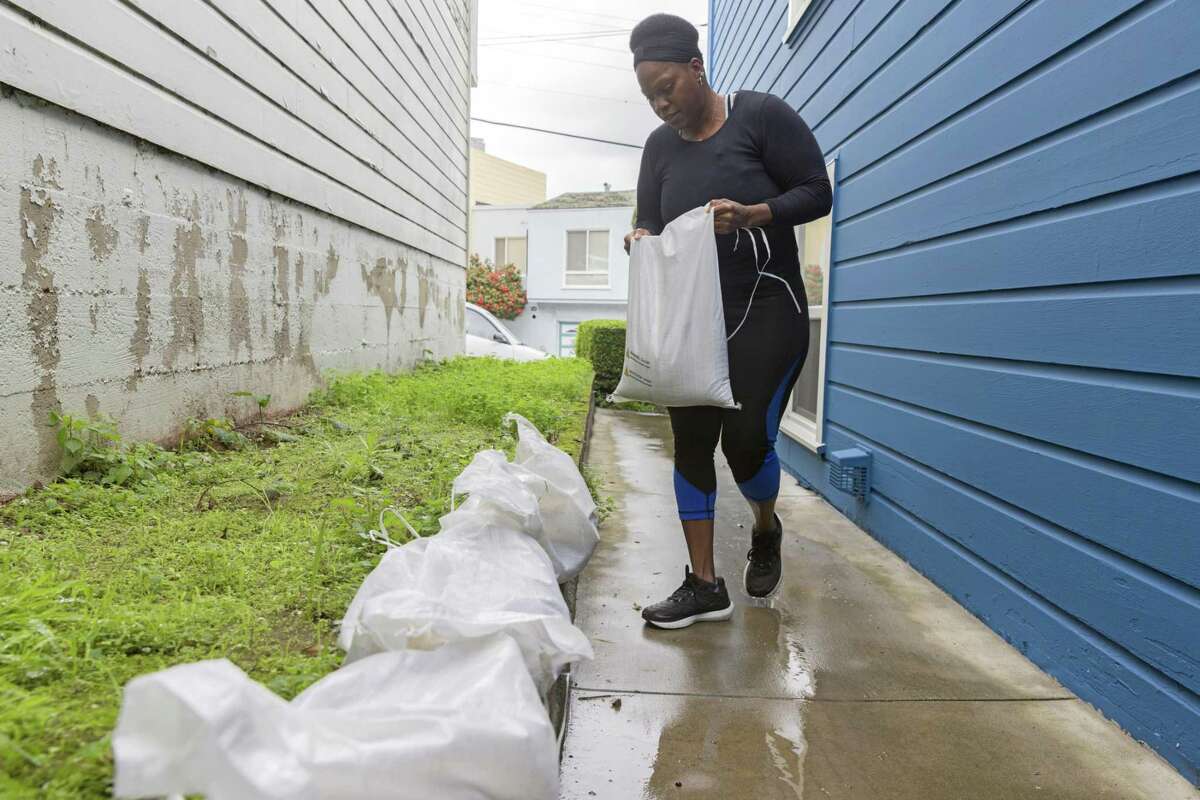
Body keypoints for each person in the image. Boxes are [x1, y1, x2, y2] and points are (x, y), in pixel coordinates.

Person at [626, 13, 832, 629]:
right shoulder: (659, 149)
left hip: (766, 309)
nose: (660, 104)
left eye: (667, 87)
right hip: (692, 319)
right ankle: (703, 585)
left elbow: (818, 191)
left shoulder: (760, 116)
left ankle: (766, 526)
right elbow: (650, 223)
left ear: (697, 68)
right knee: (691, 443)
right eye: (648, 96)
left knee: (744, 443)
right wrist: (639, 238)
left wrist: (754, 214)